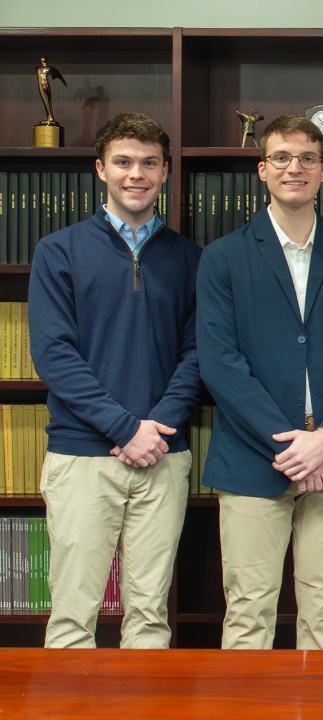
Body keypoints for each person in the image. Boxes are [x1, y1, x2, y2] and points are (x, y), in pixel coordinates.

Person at [196, 115, 323, 650]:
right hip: (254, 457)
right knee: (248, 609)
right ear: (262, 169)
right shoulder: (222, 258)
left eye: (307, 157)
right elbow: (219, 363)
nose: (294, 167)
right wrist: (292, 447)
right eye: (281, 157)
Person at [30, 112, 200, 648]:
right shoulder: (58, 251)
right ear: (101, 169)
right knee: (72, 615)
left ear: (166, 171)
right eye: (123, 162)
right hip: (84, 454)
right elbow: (54, 356)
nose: (136, 174)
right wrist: (125, 429)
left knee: (150, 618)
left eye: (149, 163)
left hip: (164, 455)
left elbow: (199, 354)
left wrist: (159, 426)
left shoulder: (190, 258)